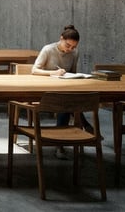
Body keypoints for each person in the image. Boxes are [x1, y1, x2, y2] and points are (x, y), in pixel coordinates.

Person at [32, 24, 91, 158]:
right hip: (45, 90)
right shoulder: (48, 49)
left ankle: (61, 145)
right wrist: (54, 73)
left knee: (68, 100)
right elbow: (34, 70)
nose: (70, 49)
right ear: (61, 39)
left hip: (64, 88)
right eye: (68, 45)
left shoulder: (75, 53)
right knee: (66, 102)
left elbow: (73, 72)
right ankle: (84, 125)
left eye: (73, 47)